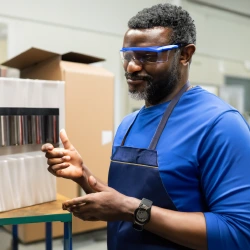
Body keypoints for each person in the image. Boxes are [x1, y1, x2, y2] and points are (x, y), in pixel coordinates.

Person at [41, 3, 250, 250]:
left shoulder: (220, 124)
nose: (132, 67)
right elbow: (124, 200)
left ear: (185, 55)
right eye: (128, 56)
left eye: (148, 56)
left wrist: (131, 210)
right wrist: (85, 175)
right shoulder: (128, 124)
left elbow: (239, 232)